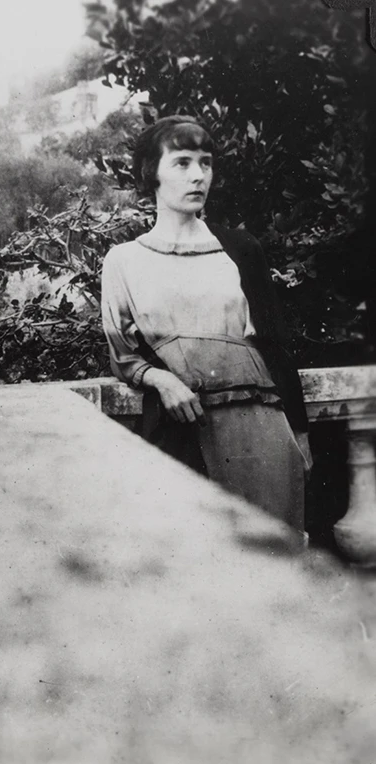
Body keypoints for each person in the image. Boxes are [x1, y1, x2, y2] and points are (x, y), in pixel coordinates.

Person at [101, 115, 312, 531]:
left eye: (206, 162)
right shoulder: (124, 261)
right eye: (181, 162)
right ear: (151, 174)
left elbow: (276, 347)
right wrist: (162, 381)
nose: (198, 175)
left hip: (261, 431)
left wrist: (301, 436)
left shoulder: (240, 248)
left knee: (271, 564)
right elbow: (122, 354)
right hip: (182, 429)